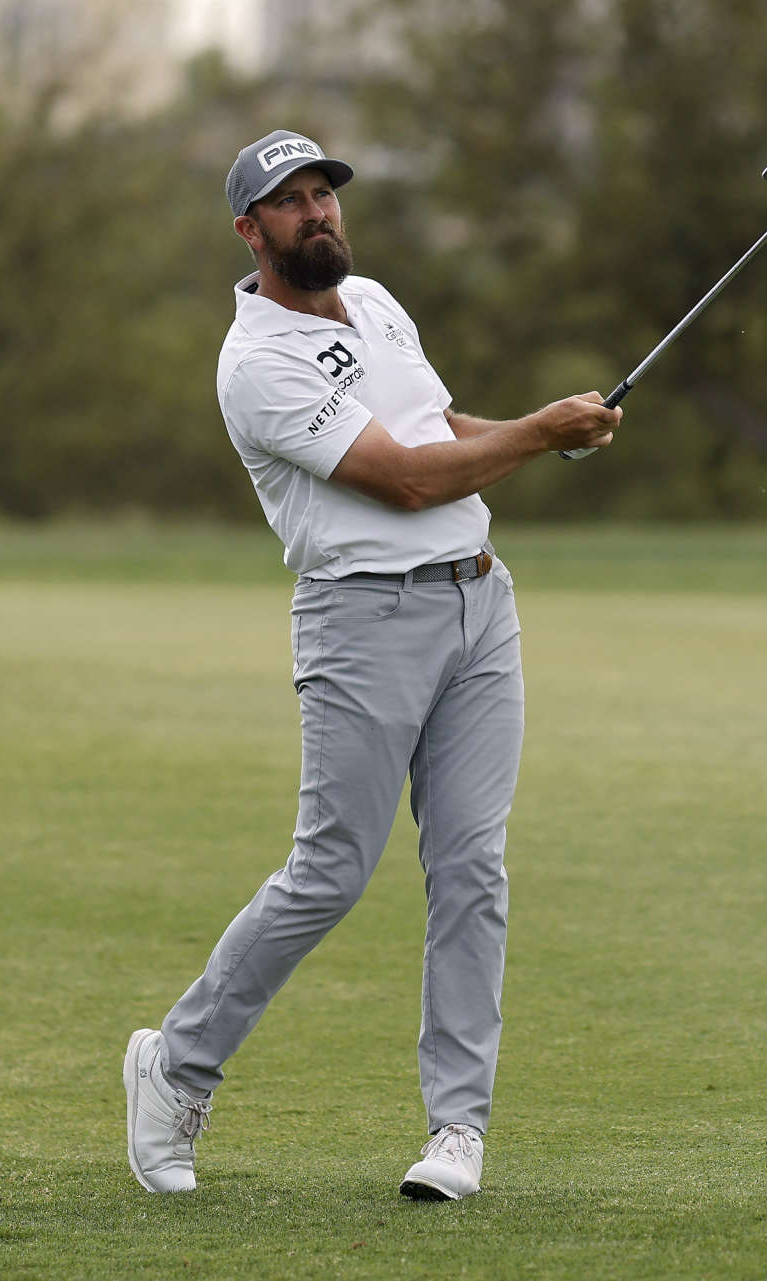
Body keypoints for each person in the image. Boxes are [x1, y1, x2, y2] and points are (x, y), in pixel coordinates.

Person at [123, 129, 620, 1201]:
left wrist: (541, 433)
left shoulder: (380, 301)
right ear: (250, 231)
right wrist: (537, 432)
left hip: (480, 603)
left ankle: (457, 1131)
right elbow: (401, 481)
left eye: (326, 195)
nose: (320, 214)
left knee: (472, 870)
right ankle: (176, 1065)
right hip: (362, 622)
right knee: (330, 872)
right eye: (292, 203)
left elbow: (437, 428)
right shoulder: (257, 362)